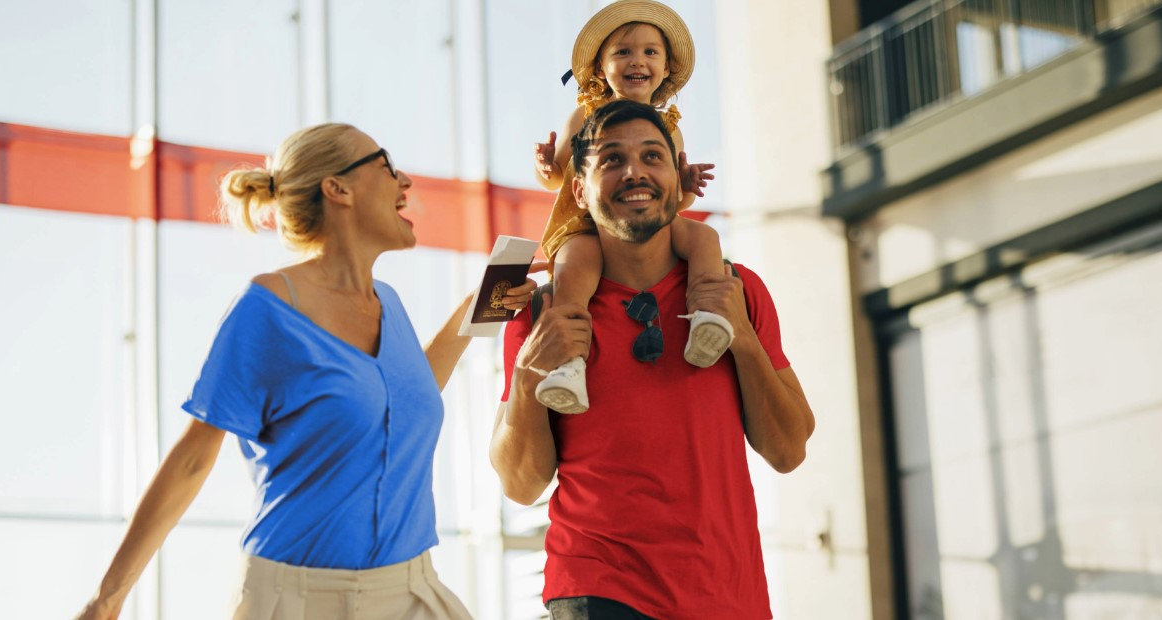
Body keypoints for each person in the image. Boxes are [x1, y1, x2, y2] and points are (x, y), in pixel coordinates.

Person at [77, 123, 532, 620]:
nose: (404, 181)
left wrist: (477, 307)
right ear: (337, 189)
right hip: (294, 601)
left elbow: (401, 394)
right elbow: (192, 459)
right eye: (385, 166)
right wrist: (107, 600)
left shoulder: (390, 304)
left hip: (412, 593)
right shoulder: (268, 308)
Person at [492, 100, 816, 619]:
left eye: (651, 156)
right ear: (579, 189)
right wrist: (532, 372)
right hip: (596, 591)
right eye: (612, 160)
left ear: (676, 176)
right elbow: (520, 483)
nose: (634, 172)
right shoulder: (542, 312)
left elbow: (789, 450)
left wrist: (742, 339)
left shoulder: (740, 290)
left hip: (729, 597)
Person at [529, 0, 729, 414]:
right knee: (573, 271)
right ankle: (568, 363)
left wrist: (686, 186)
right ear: (601, 67)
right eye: (623, 52)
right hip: (587, 225)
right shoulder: (583, 116)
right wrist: (547, 167)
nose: (637, 61)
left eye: (649, 52)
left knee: (704, 237)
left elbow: (672, 198)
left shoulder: (670, 130)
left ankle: (707, 314)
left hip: (652, 224)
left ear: (666, 67)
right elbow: (561, 179)